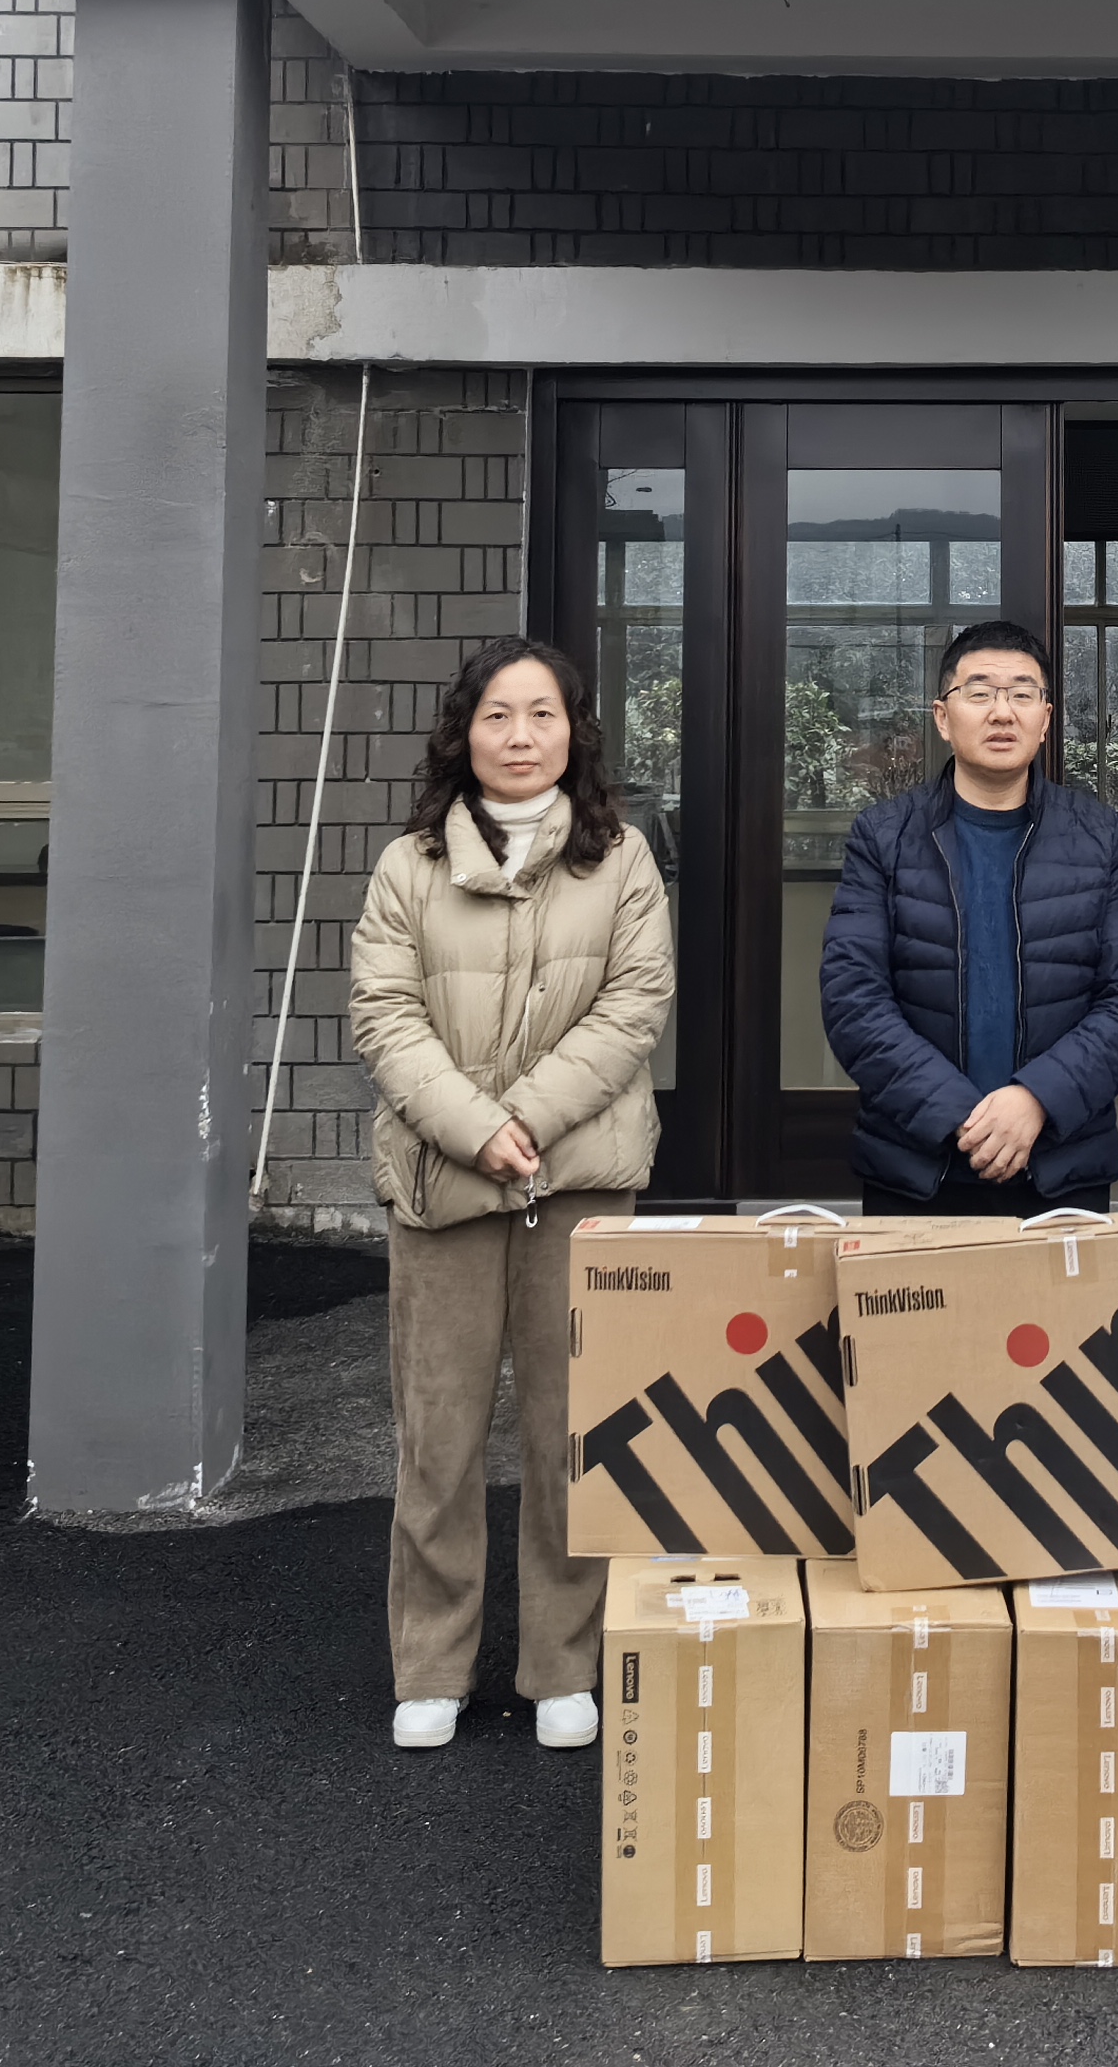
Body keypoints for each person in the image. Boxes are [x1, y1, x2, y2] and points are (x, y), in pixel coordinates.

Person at [349, 634, 670, 1755]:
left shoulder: (619, 859)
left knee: (574, 1432)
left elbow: (636, 1004)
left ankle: (562, 1664)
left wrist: (526, 1117)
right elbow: (383, 1013)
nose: (521, 736)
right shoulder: (409, 866)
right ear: (465, 731)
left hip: (579, 1181)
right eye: (498, 714)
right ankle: (432, 1664)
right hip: (444, 1180)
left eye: (543, 714)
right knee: (436, 1438)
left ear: (576, 732)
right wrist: (476, 1128)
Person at [818, 619, 1118, 1216]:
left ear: (1045, 719)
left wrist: (1036, 1100)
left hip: (1060, 1166)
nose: (1002, 712)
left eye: (1022, 694)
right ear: (943, 717)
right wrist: (960, 1115)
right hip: (916, 1165)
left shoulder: (1098, 836)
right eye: (979, 693)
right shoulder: (884, 836)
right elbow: (853, 998)